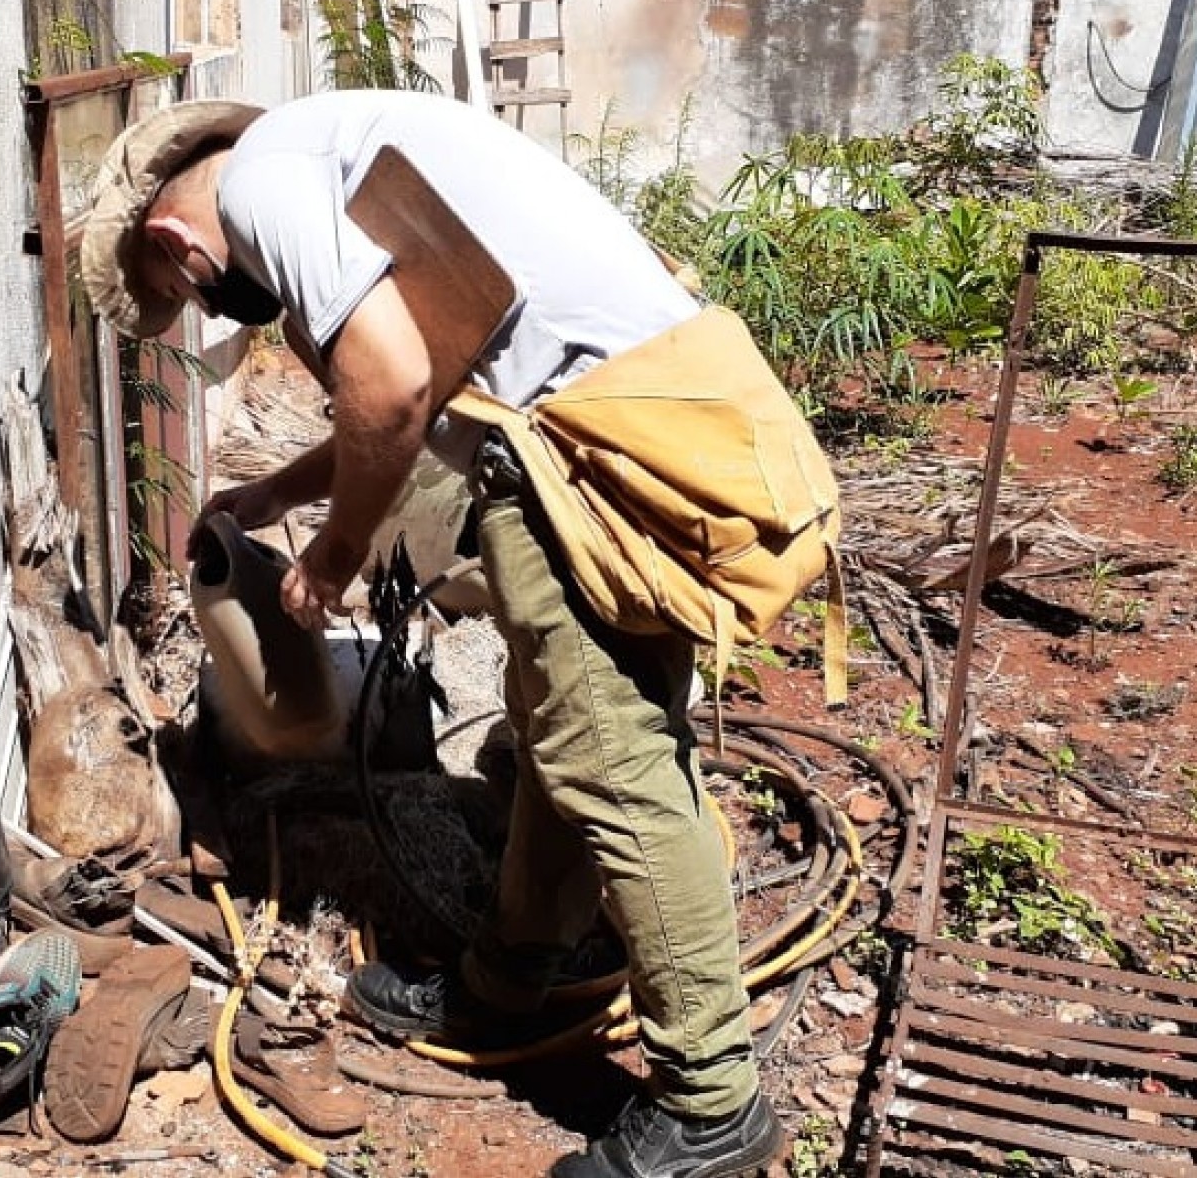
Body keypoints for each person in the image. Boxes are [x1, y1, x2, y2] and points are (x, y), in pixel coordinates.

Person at [80, 88, 785, 1178]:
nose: (211, 313)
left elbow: (395, 384)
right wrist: (280, 491)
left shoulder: (266, 184)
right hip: (614, 428)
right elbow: (424, 372)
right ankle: (514, 977)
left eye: (185, 295)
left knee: (615, 762)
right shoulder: (318, 150)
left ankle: (711, 1098)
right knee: (567, 743)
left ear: (174, 240)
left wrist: (335, 552)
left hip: (592, 457)